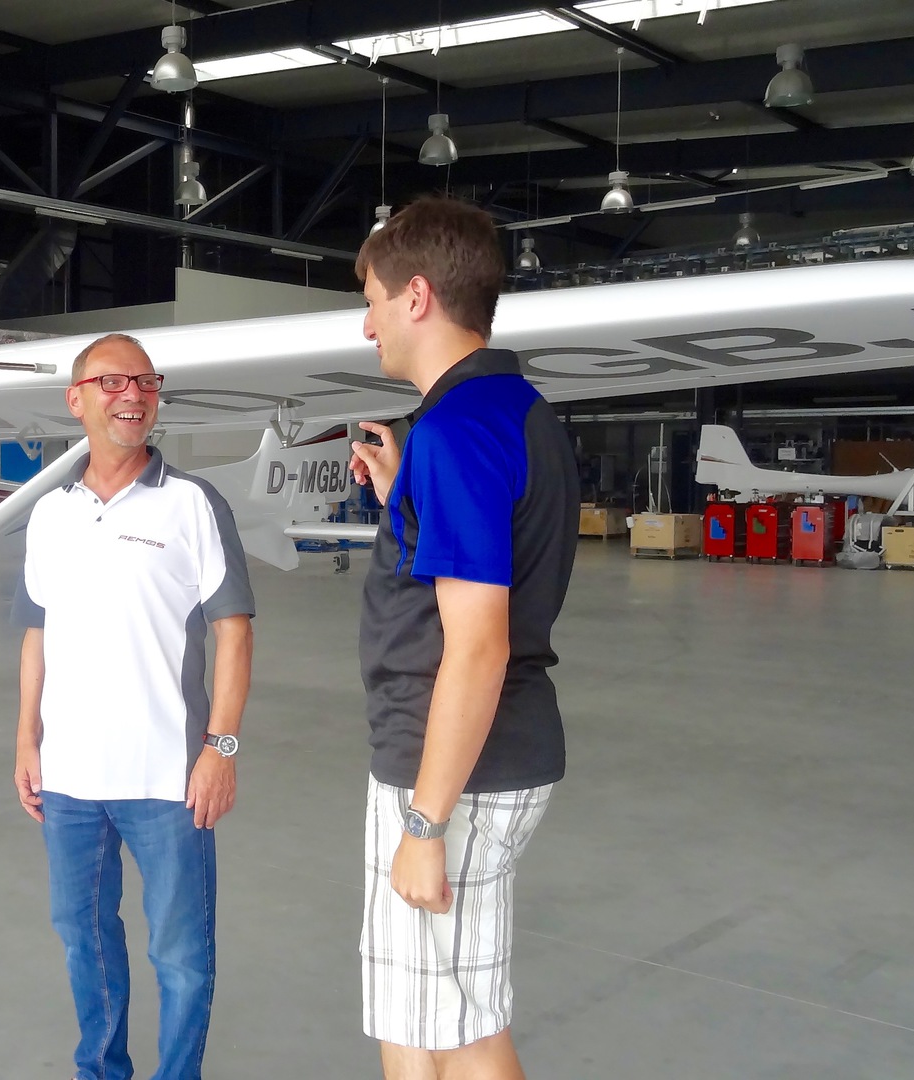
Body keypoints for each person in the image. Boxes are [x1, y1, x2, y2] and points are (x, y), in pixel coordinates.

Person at [347, 197, 579, 1080]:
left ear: (415, 296)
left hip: (452, 768)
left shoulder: (454, 431)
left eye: (372, 301)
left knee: (448, 1033)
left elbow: (479, 645)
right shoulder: (509, 410)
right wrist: (405, 495)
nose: (367, 325)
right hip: (479, 754)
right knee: (435, 1019)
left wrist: (424, 822)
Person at [11, 332, 256, 1080]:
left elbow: (234, 631)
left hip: (167, 780)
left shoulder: (192, 504)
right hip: (69, 781)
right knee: (83, 941)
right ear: (75, 400)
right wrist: (26, 740)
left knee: (180, 955)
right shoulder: (50, 513)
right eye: (113, 382)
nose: (134, 395)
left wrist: (220, 748)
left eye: (146, 382)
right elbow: (37, 634)